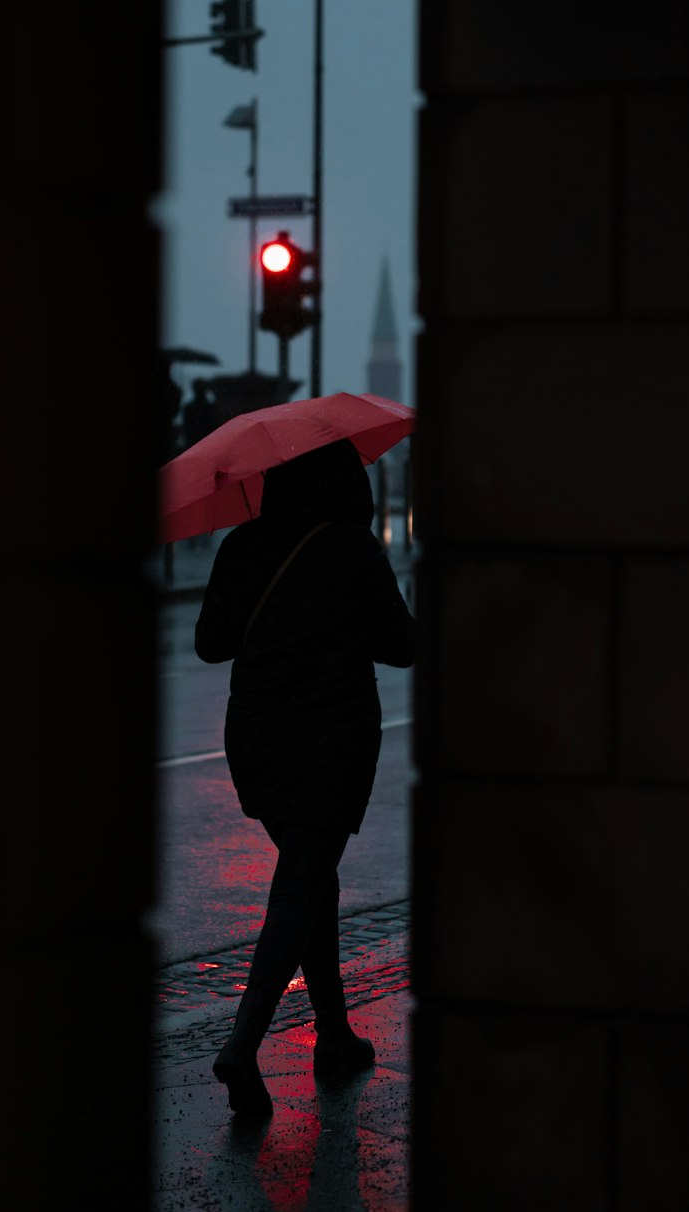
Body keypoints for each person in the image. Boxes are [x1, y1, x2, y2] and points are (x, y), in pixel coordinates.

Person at [194, 438, 416, 1117]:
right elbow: (402, 647)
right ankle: (242, 1044)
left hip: (257, 740)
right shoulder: (353, 549)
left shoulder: (242, 545)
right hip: (330, 742)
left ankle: (334, 1033)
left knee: (312, 874)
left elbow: (210, 644)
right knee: (300, 883)